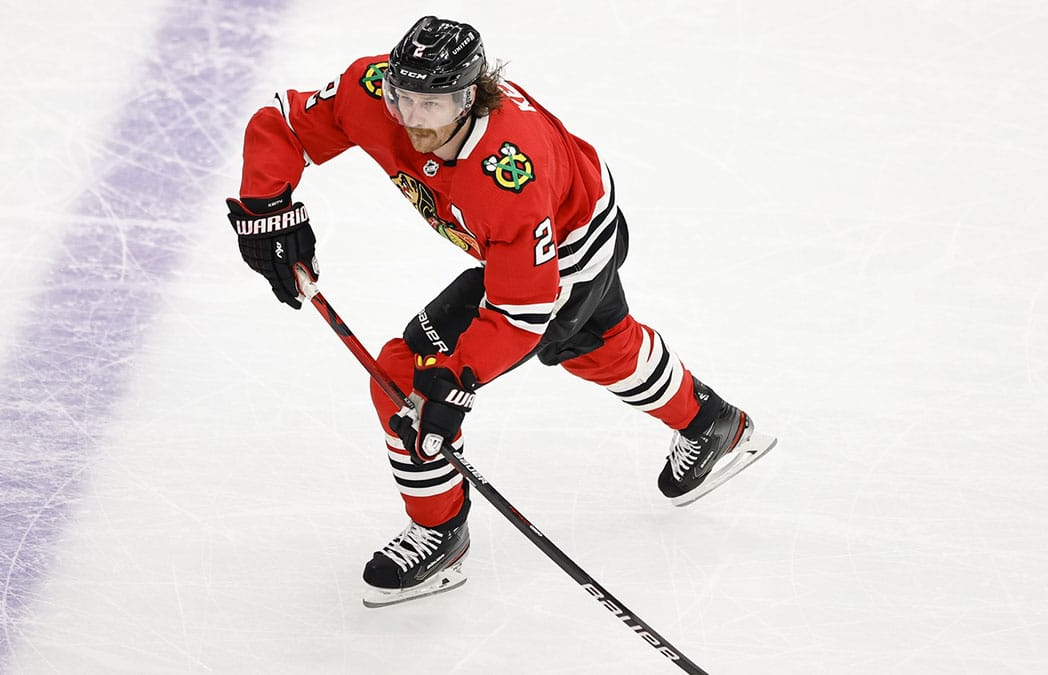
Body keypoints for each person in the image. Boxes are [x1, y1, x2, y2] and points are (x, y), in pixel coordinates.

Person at [226, 16, 776, 607]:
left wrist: (455, 382)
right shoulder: (373, 89)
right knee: (598, 346)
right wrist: (265, 208)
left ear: (470, 96)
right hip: (570, 209)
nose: (413, 119)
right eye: (403, 96)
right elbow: (286, 123)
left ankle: (439, 534)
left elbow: (522, 309)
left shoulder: (508, 171)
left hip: (562, 252)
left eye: (432, 104)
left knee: (405, 380)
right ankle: (712, 423)